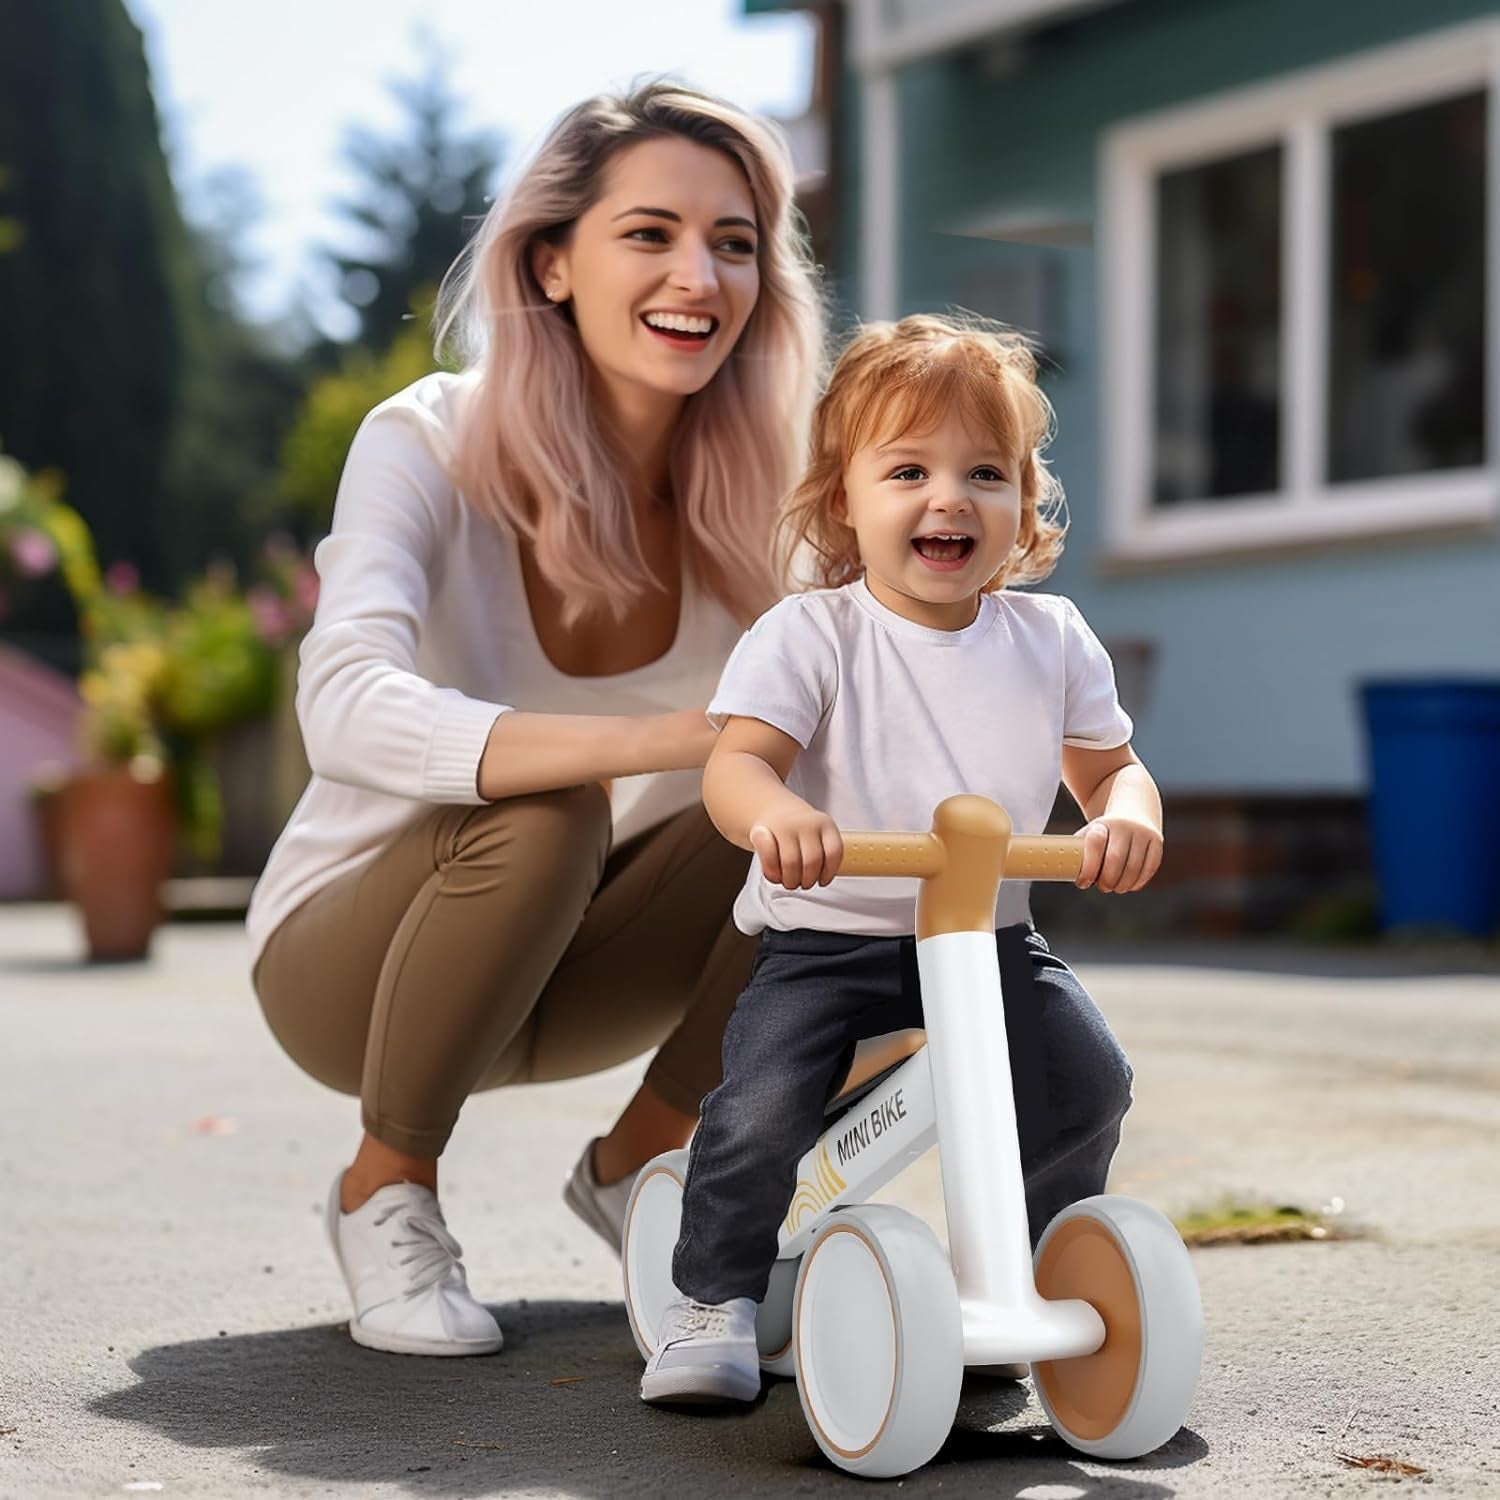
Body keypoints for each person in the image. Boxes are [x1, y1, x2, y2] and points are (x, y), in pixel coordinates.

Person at [246, 81, 823, 1358]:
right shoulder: (429, 441)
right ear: (553, 262)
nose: (700, 274)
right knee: (547, 803)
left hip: (590, 967)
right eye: (652, 233)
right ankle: (382, 1186)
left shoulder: (765, 504)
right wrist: (673, 740)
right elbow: (342, 702)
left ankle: (648, 1170)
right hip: (355, 963)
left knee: (813, 815)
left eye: (735, 243)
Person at [640, 313, 1164, 1405]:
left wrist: (1125, 818)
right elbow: (737, 767)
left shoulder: (1051, 638)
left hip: (988, 937)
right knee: (761, 1105)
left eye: (986, 472)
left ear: (1023, 502)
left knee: (1086, 1084)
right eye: (909, 469)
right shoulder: (811, 635)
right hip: (830, 938)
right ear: (845, 500)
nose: (950, 498)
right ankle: (714, 1300)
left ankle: (1035, 1268)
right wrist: (777, 817)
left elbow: (1112, 770)